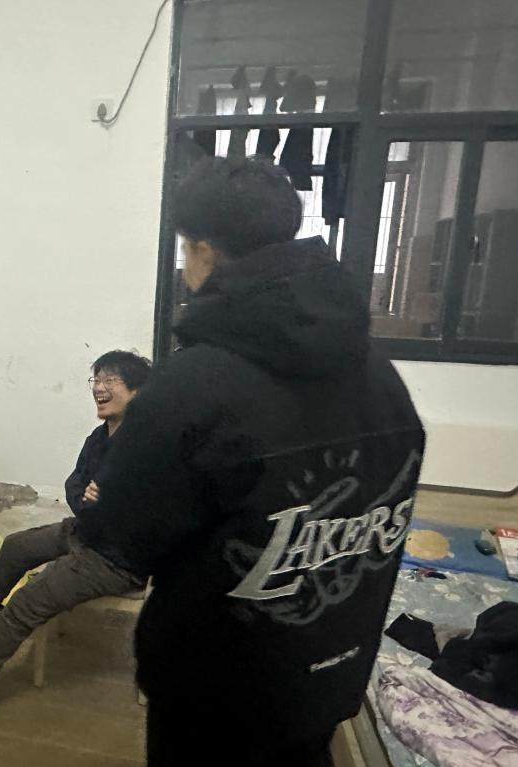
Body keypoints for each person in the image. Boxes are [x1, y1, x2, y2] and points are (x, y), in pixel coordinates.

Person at [83, 158, 426, 766]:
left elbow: (120, 538)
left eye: (185, 252)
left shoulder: (189, 388)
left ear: (203, 252)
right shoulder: (382, 376)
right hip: (329, 674)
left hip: (214, 699)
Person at [0, 350, 152, 741]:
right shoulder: (98, 438)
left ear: (138, 392)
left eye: (111, 380)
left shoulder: (148, 447)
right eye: (96, 379)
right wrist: (90, 504)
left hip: (115, 559)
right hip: (84, 530)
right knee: (15, 547)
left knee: (27, 602)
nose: (99, 387)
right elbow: (75, 485)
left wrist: (105, 504)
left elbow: (150, 515)